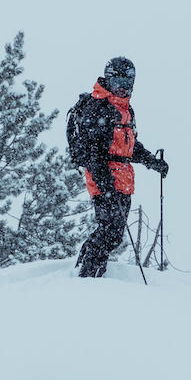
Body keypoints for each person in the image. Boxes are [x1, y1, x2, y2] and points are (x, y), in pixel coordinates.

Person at [72, 56, 169, 278]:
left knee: (112, 231)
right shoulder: (98, 107)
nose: (123, 88)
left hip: (123, 180)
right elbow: (92, 150)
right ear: (109, 80)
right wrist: (103, 180)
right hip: (104, 179)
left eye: (128, 82)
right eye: (118, 82)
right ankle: (86, 275)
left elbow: (129, 146)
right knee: (111, 231)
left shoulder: (126, 110)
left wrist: (153, 162)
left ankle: (91, 269)